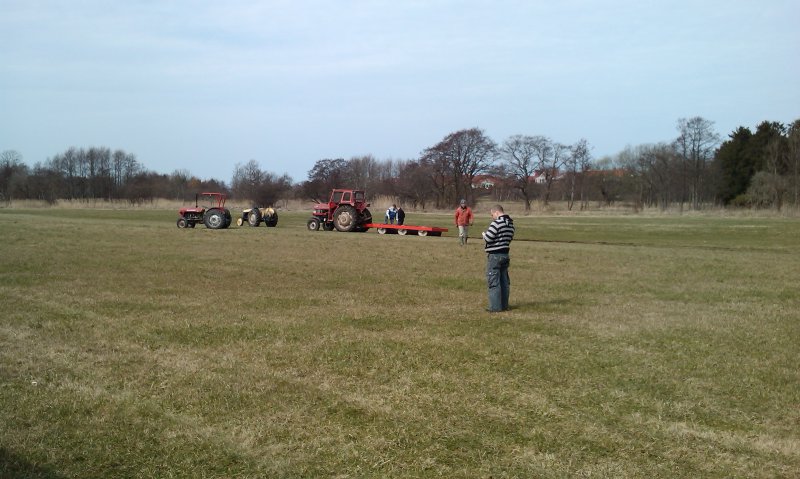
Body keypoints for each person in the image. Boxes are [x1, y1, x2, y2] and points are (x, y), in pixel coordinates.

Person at [482, 204, 515, 312]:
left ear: (496, 212)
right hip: (505, 254)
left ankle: (495, 307)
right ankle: (504, 305)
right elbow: (509, 238)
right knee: (504, 281)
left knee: (494, 281)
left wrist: (484, 234)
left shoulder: (496, 223)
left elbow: (489, 238)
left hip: (495, 255)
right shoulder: (511, 224)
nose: (492, 217)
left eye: (492, 215)